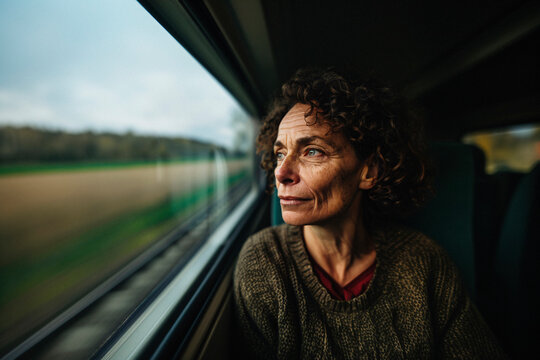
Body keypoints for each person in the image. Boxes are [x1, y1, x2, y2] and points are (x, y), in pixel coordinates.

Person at [233, 66, 506, 359]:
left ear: (369, 170)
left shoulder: (424, 262)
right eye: (279, 154)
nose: (281, 173)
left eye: (313, 151)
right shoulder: (263, 263)